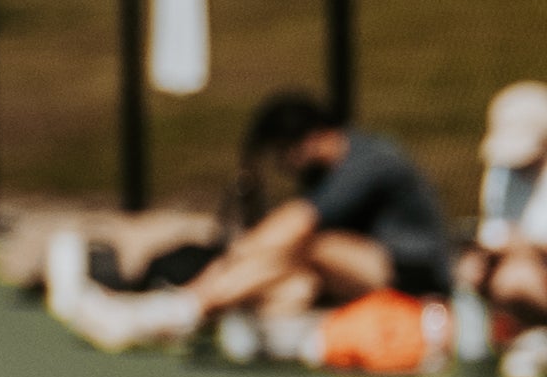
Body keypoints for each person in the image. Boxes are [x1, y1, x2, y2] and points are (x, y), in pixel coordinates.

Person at [53, 88, 455, 361]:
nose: (283, 165)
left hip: (415, 280)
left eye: (284, 153)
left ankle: (173, 310)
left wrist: (234, 257)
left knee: (306, 246)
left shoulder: (369, 159)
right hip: (358, 281)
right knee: (293, 283)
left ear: (310, 140)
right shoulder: (332, 167)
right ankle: (194, 318)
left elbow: (299, 223)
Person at [463, 81, 547, 377]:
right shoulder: (501, 170)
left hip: (532, 270)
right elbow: (496, 228)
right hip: (521, 263)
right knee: (472, 270)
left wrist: (523, 246)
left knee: (516, 280)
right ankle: (512, 343)